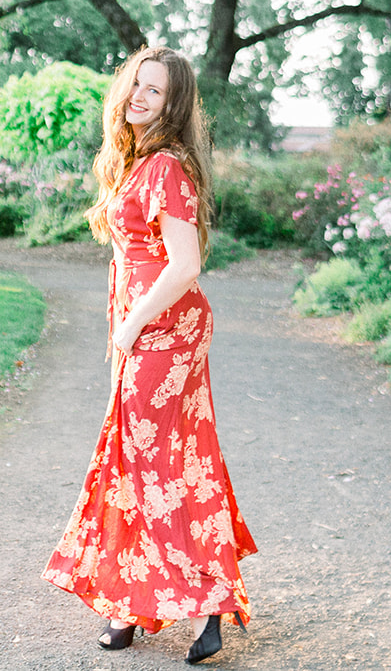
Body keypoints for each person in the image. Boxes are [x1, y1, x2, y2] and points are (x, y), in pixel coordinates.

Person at [43, 46, 257, 665]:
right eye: (136, 84)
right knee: (157, 460)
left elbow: (186, 264)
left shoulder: (165, 166)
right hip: (144, 329)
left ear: (174, 104)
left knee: (151, 466)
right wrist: (122, 325)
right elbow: (128, 258)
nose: (138, 96)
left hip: (166, 330)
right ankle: (134, 604)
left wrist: (134, 322)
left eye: (154, 90)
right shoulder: (136, 160)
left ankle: (202, 600)